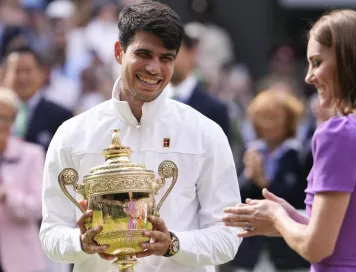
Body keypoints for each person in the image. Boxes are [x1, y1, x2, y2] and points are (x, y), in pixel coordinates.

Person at [222, 9, 356, 272]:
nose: (309, 76)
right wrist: (292, 220)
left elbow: (317, 248)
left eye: (317, 62)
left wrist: (276, 216)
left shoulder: (339, 133)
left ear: (349, 62)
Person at [39, 2, 242, 272]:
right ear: (118, 52)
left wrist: (173, 243)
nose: (154, 68)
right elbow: (51, 233)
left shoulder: (205, 133)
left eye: (166, 58)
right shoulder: (73, 133)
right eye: (143, 54)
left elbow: (228, 236)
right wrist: (81, 242)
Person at [232, 89, 311, 272]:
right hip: (251, 254)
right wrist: (249, 177)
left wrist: (266, 184)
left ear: (288, 119)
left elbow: (301, 199)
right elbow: (236, 197)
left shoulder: (301, 155)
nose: (267, 124)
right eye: (262, 117)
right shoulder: (250, 151)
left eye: (273, 117)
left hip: (290, 253)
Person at [0, 87, 46, 272]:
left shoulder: (31, 154)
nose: (2, 124)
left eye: (6, 118)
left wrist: (7, 196)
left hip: (19, 258)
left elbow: (39, 207)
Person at [164, 24, 230, 140]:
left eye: (175, 52)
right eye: (164, 54)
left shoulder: (215, 108)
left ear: (192, 53)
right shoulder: (151, 102)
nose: (169, 59)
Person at [2, 46, 73, 152]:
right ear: (5, 74)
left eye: (28, 71)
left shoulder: (61, 117)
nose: (22, 78)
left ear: (41, 73)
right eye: (16, 71)